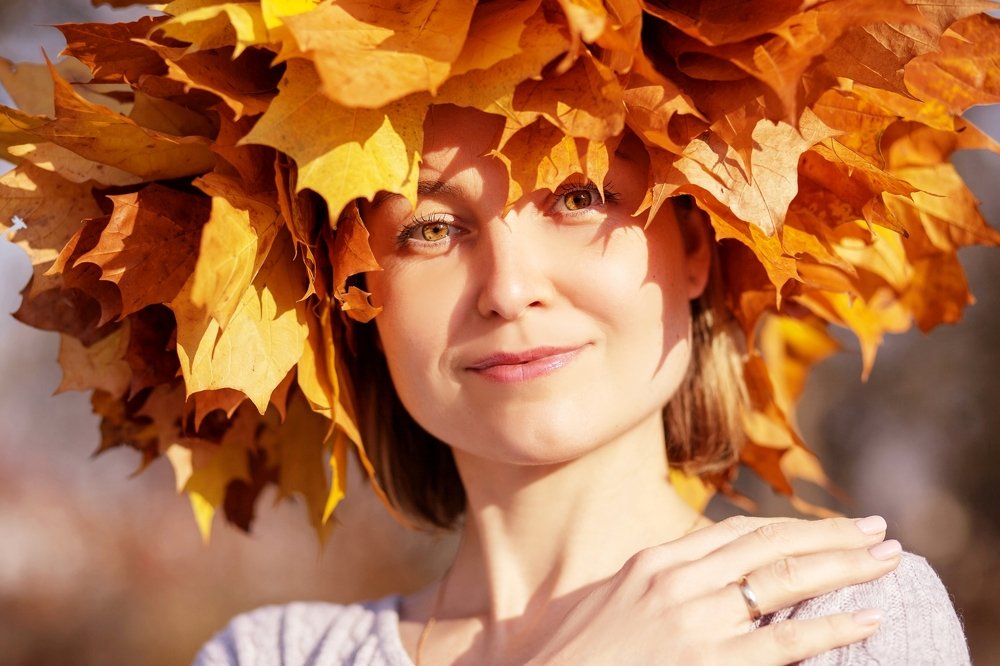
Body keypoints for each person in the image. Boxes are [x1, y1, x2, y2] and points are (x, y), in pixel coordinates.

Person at [1, 1, 992, 664]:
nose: (510, 288)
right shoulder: (275, 654)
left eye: (576, 196)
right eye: (430, 229)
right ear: (350, 292)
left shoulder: (835, 617)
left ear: (696, 246)